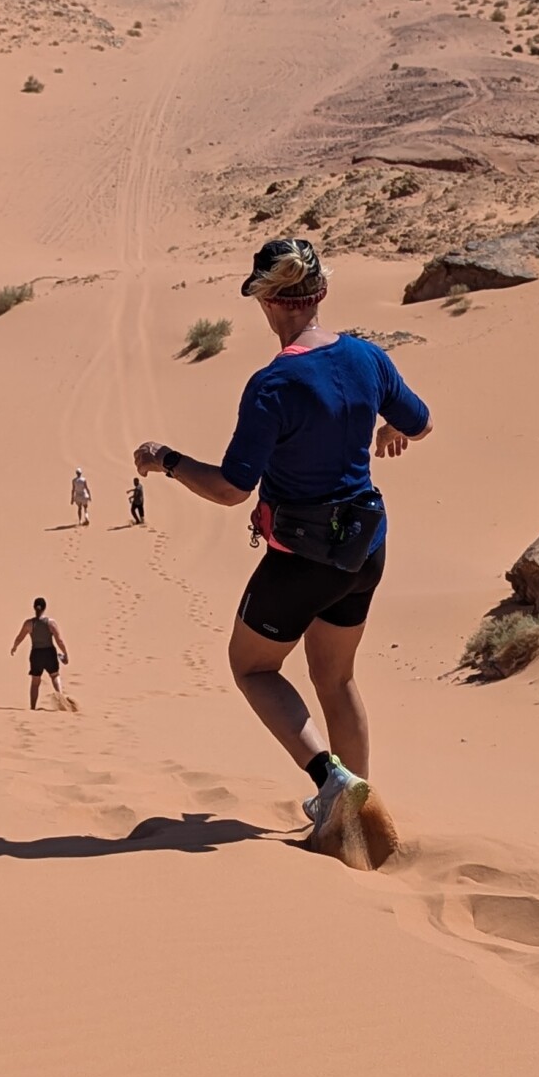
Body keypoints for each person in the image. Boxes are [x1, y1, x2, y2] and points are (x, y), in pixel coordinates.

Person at [134, 236, 430, 859]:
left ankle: (332, 782)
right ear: (321, 293)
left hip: (303, 557)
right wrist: (387, 428)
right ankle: (357, 819)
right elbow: (421, 421)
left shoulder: (274, 384)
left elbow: (230, 489)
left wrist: (167, 460)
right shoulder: (368, 357)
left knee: (252, 667)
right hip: (364, 547)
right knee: (336, 677)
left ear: (267, 302)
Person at [10, 596, 70, 709]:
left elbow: (20, 637)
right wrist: (65, 653)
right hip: (49, 652)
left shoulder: (29, 623)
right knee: (55, 675)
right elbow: (59, 640)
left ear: (34, 607)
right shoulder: (50, 623)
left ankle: (33, 707)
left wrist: (14, 647)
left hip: (36, 654)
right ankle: (61, 698)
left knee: (35, 682)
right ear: (45, 607)